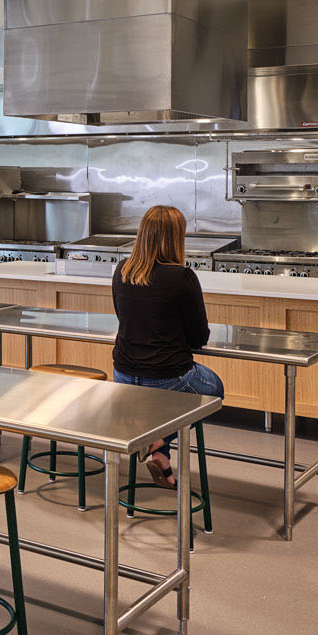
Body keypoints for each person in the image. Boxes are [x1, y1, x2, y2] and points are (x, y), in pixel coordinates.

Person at [109, 205, 224, 488]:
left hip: (122, 376)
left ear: (142, 234)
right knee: (214, 389)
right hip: (168, 377)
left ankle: (158, 448)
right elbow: (199, 337)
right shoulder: (182, 277)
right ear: (177, 238)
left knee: (161, 408)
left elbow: (125, 318)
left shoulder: (122, 270)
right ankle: (158, 440)